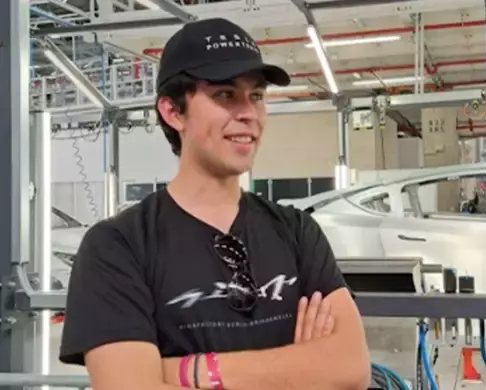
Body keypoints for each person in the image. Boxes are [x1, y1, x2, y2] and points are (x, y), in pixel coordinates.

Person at [59, 17, 371, 390]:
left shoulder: (297, 232)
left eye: (256, 95)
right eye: (225, 95)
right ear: (173, 112)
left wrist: (189, 371)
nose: (248, 113)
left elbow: (350, 368)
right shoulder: (118, 247)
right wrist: (301, 370)